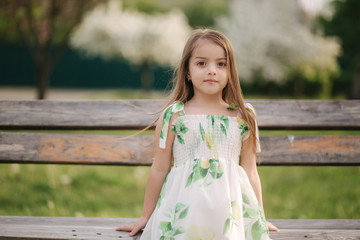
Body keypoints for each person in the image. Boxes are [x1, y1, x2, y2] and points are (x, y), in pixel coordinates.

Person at [116, 29, 279, 239]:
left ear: (231, 71)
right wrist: (146, 216)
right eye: (202, 63)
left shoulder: (244, 116)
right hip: (185, 210)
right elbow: (160, 167)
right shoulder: (174, 116)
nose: (212, 70)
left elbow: (249, 171)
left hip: (229, 212)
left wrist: (260, 217)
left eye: (221, 64)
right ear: (187, 72)